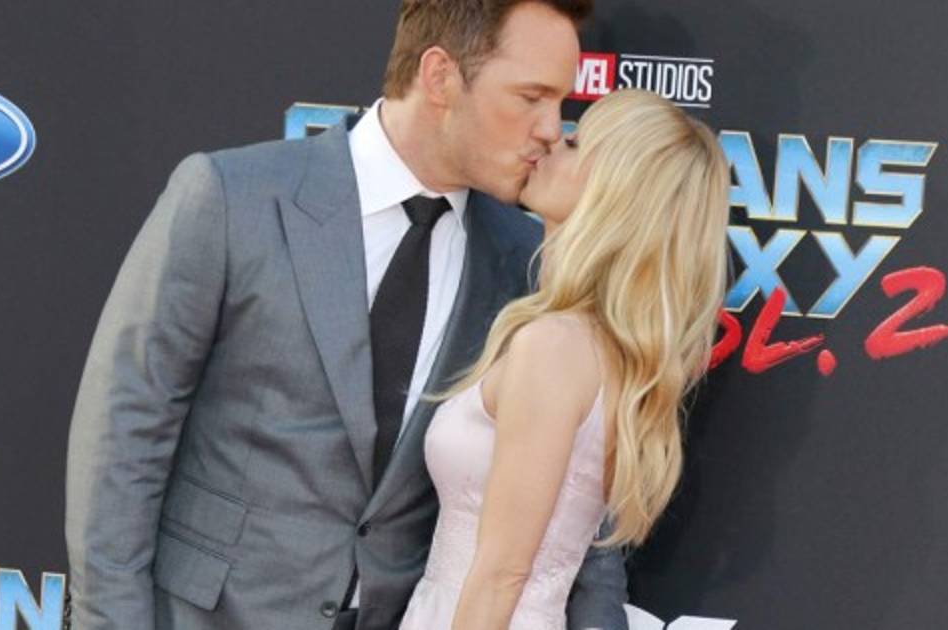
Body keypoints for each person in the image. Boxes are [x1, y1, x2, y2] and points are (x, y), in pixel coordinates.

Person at [64, 1, 629, 629]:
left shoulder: (524, 261)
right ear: (440, 76)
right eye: (531, 97)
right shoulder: (233, 198)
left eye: (560, 102)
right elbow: (124, 436)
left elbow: (578, 517)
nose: (552, 129)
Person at [398, 88, 732, 629]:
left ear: (614, 191)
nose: (551, 140)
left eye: (575, 144)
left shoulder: (555, 346)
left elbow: (503, 573)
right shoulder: (596, 344)